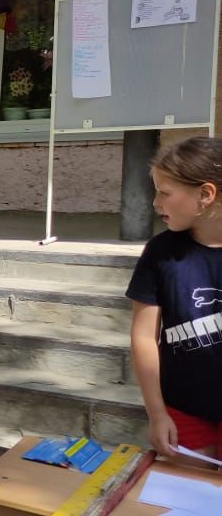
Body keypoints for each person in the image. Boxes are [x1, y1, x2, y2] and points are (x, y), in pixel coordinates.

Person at [127, 136, 222, 467]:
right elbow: (143, 336)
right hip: (182, 410)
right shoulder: (160, 252)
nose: (155, 203)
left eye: (164, 193)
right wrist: (156, 413)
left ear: (205, 195)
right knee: (188, 490)